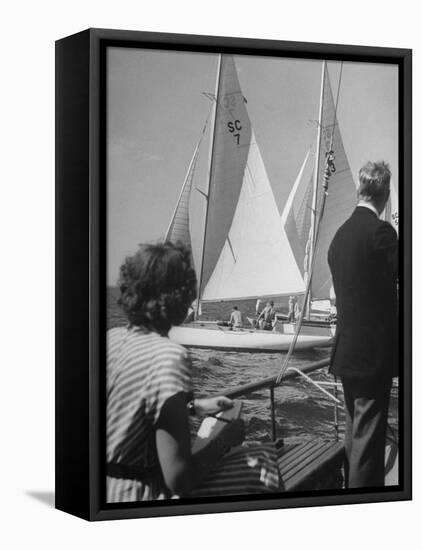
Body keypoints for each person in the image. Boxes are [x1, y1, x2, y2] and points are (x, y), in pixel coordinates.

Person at [107, 241, 279, 502]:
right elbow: (179, 479)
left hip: (101, 488)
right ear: (180, 297)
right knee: (264, 457)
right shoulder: (168, 356)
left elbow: (134, 410)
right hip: (138, 496)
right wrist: (225, 441)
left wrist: (195, 407)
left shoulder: (111, 339)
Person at [327, 161, 398, 488]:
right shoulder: (383, 233)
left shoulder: (339, 237)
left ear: (360, 189)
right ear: (384, 194)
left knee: (354, 435)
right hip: (373, 359)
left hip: (346, 355)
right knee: (369, 445)